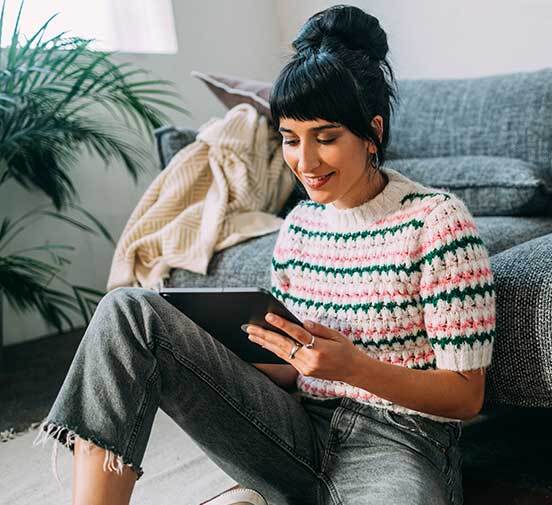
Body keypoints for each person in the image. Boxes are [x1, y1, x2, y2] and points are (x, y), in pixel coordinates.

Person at [33, 4, 496, 505]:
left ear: (373, 132)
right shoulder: (298, 228)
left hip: (402, 441)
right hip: (295, 431)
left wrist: (353, 368)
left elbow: (466, 396)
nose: (306, 161)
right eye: (290, 140)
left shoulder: (437, 222)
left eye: (326, 138)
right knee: (127, 312)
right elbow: (292, 374)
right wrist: (223, 352)